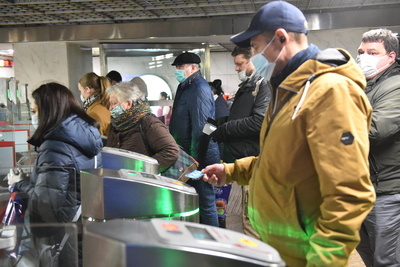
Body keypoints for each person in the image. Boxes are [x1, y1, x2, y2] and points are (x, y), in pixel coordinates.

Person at [202, 1, 375, 266]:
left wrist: (323, 261)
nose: (256, 57)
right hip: (286, 249)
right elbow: (281, 160)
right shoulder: (287, 92)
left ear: (281, 38)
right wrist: (233, 171)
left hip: (312, 254)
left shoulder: (330, 92)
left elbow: (349, 192)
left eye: (257, 48)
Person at [7, 82, 103, 266]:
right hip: (78, 228)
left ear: (48, 111)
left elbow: (46, 204)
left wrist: (19, 183)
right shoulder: (83, 136)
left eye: (35, 112)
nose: (34, 117)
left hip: (61, 235)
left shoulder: (56, 147)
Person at [211, 46, 270, 235]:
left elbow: (259, 121)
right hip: (240, 163)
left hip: (252, 163)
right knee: (240, 219)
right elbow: (239, 117)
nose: (236, 69)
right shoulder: (247, 87)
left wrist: (225, 129)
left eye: (240, 64)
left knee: (249, 221)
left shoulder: (264, 85)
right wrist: (215, 124)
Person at [355, 28, 400, 267]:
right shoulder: (365, 85)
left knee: (387, 260)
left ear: (390, 56)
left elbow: (375, 130)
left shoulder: (395, 85)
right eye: (362, 52)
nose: (364, 57)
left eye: (373, 52)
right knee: (368, 253)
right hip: (364, 187)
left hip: (387, 189)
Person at [169, 52, 220, 227]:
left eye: (180, 67)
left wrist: (196, 160)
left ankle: (214, 242)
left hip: (199, 157)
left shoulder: (199, 88)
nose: (177, 70)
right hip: (188, 155)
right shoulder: (185, 86)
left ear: (193, 67)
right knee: (194, 200)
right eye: (176, 67)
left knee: (205, 201)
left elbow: (203, 128)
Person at [106, 82, 179, 171]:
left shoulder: (148, 122)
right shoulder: (116, 124)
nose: (110, 108)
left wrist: (143, 170)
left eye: (114, 103)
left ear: (129, 103)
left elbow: (171, 152)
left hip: (140, 181)